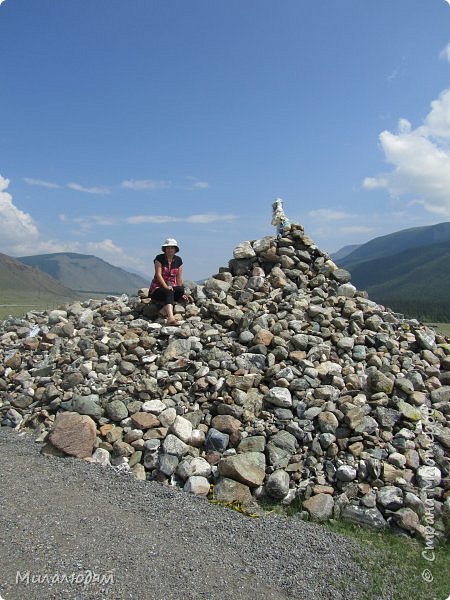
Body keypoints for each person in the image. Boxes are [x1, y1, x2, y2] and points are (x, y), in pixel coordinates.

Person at [148, 238, 189, 325]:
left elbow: (179, 278)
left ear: (175, 249)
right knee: (169, 291)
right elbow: (158, 275)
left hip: (171, 287)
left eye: (172, 248)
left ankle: (163, 310)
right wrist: (166, 287)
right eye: (168, 248)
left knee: (180, 290)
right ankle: (171, 318)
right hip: (157, 288)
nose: (170, 250)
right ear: (165, 249)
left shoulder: (178, 260)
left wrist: (182, 293)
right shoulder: (159, 258)